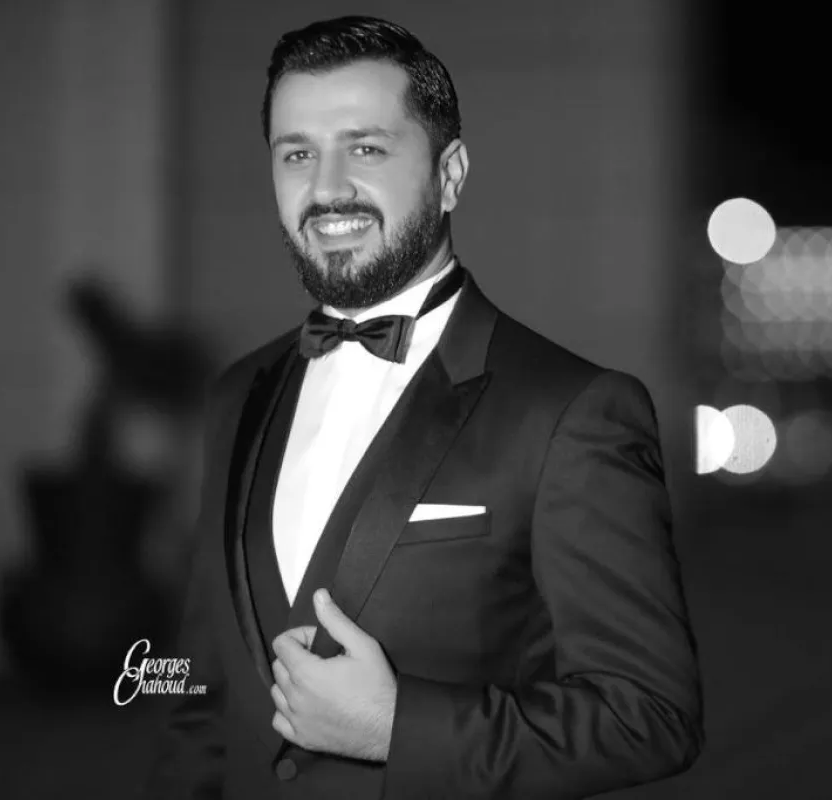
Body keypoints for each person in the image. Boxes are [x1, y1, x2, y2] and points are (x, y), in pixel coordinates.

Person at [145, 15, 703, 800]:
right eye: (297, 153)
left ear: (450, 175)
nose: (327, 187)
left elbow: (650, 716)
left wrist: (397, 728)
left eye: (366, 149)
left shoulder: (573, 412)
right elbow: (197, 691)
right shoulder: (239, 392)